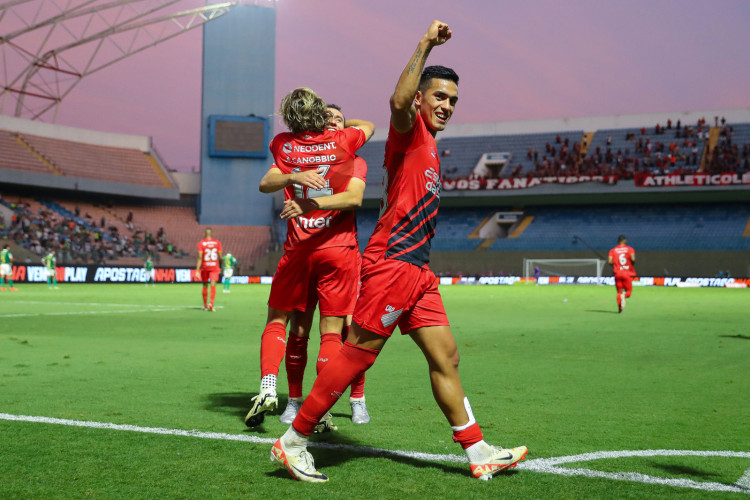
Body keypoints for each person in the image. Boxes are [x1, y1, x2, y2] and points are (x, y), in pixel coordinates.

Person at [270, 21, 527, 483]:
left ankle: (478, 450)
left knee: (446, 356)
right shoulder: (408, 134)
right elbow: (395, 102)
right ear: (421, 100)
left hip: (418, 272)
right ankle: (293, 441)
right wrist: (425, 45)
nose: (446, 106)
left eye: (452, 100)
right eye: (439, 97)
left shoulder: (431, 148)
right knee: (358, 354)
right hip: (391, 264)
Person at [244, 88, 374, 430]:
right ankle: (313, 404)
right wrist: (338, 126)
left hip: (300, 249)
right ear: (320, 116)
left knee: (279, 321)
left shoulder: (283, 145)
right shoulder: (347, 143)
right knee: (328, 331)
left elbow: (265, 182)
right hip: (337, 251)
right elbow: (371, 127)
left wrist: (296, 180)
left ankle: (271, 386)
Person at [279, 104, 370, 426]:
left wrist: (342, 126)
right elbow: (269, 180)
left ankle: (355, 397)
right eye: (327, 118)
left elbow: (354, 198)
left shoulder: (355, 159)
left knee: (348, 330)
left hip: (339, 252)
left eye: (340, 120)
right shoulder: (295, 160)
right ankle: (294, 400)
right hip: (303, 252)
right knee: (299, 332)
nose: (333, 122)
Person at [196, 228, 222, 312]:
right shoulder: (217, 243)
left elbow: (200, 257)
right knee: (213, 284)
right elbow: (220, 257)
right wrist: (220, 266)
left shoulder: (201, 243)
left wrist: (197, 271)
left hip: (205, 267)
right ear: (212, 234)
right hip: (214, 266)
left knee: (205, 285)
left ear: (205, 234)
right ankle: (211, 303)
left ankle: (204, 305)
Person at [608, 235, 636, 313]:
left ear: (618, 241)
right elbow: (633, 259)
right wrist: (631, 264)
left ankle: (620, 309)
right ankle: (624, 296)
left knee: (619, 293)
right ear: (625, 241)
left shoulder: (613, 250)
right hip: (627, 273)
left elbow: (610, 261)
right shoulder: (630, 249)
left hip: (617, 274)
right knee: (628, 292)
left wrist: (615, 265)